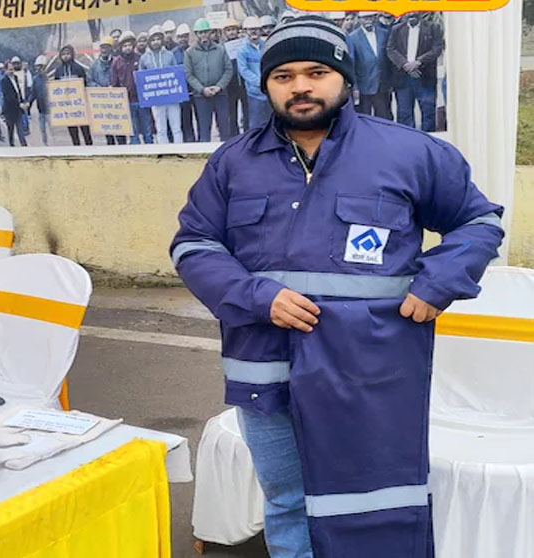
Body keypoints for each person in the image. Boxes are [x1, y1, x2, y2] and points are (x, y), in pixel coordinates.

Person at [171, 15, 503, 558]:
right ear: (266, 85)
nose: (300, 86)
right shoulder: (233, 163)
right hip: (264, 367)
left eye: (316, 72)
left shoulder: (408, 152)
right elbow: (194, 244)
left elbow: (478, 221)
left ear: (344, 79)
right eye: (284, 76)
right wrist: (257, 297)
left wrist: (439, 281)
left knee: (373, 503)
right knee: (285, 501)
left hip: (368, 368)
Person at [387, 12, 442, 132]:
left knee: (428, 112)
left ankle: (428, 138)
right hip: (403, 78)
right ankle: (408, 140)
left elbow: (437, 48)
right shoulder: (396, 29)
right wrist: (405, 64)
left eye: (414, 11)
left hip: (424, 77)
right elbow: (390, 49)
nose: (411, 14)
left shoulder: (433, 27)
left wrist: (418, 62)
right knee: (404, 113)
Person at [185, 18, 233, 142]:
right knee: (204, 130)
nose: (203, 35)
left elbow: (228, 70)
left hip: (220, 95)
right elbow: (189, 75)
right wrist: (202, 89)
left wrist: (219, 86)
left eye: (206, 32)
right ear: (196, 34)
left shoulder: (220, 49)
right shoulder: (190, 52)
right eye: (200, 32)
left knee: (224, 127)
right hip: (201, 97)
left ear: (210, 32)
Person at [139, 26, 183, 144]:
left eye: (158, 39)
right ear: (149, 41)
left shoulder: (169, 55)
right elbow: (142, 79)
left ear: (162, 40)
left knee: (176, 127)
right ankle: (164, 150)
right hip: (156, 99)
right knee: (161, 129)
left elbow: (176, 74)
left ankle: (180, 150)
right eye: (153, 40)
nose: (156, 42)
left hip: (172, 97)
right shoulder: (144, 58)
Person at [348, 12, 392, 119]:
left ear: (375, 18)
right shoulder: (353, 37)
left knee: (384, 116)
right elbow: (352, 64)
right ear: (359, 19)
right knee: (365, 117)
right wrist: (355, 87)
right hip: (364, 85)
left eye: (370, 17)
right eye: (364, 18)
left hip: (382, 84)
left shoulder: (384, 33)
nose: (368, 20)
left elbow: (389, 59)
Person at [111, 31, 151, 144]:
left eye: (129, 45)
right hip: (127, 101)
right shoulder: (116, 62)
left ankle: (151, 149)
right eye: (125, 46)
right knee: (133, 131)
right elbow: (114, 82)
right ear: (121, 47)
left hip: (142, 100)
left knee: (147, 129)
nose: (127, 48)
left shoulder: (140, 58)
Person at [55, 44, 93, 145]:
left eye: (68, 53)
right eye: (63, 54)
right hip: (67, 106)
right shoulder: (58, 71)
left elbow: (84, 84)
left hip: (80, 105)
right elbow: (56, 88)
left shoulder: (78, 68)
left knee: (85, 130)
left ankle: (89, 148)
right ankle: (76, 148)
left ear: (72, 54)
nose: (65, 56)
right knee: (73, 131)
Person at [237, 16, 270, 129]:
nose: (254, 32)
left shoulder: (266, 46)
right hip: (254, 94)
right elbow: (244, 70)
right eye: (250, 29)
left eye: (256, 29)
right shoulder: (243, 50)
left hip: (269, 91)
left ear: (260, 30)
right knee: (256, 125)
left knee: (271, 123)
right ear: (245, 31)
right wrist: (259, 81)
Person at [219, 19, 248, 137]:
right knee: (231, 111)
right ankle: (234, 135)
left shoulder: (244, 43)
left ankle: (247, 133)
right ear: (225, 32)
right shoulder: (222, 47)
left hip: (244, 82)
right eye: (228, 30)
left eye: (233, 29)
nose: (231, 32)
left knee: (247, 110)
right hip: (230, 84)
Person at [89, 37, 120, 144]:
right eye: (102, 47)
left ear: (111, 49)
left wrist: (114, 86)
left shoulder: (117, 62)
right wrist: (99, 88)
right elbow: (89, 81)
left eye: (107, 47)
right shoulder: (94, 65)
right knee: (107, 128)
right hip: (102, 101)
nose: (104, 50)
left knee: (120, 126)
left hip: (116, 100)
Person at [174, 23, 196, 142]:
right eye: (180, 37)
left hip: (196, 89)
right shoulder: (173, 54)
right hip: (182, 91)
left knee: (200, 118)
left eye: (185, 36)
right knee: (185, 119)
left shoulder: (194, 50)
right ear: (177, 38)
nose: (183, 39)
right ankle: (189, 141)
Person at [1, 56, 29, 146]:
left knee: (20, 130)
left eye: (12, 69)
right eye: (9, 69)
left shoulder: (16, 78)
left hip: (18, 110)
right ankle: (12, 146)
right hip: (10, 110)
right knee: (11, 131)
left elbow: (18, 91)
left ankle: (24, 146)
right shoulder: (4, 81)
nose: (12, 71)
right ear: (5, 70)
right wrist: (19, 104)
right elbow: (8, 97)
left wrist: (23, 102)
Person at [29, 55, 52, 145]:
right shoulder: (35, 79)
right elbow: (33, 94)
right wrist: (28, 104)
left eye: (39, 66)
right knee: (42, 129)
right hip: (41, 109)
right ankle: (45, 144)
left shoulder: (50, 78)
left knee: (52, 130)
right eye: (37, 67)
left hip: (51, 110)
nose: (37, 69)